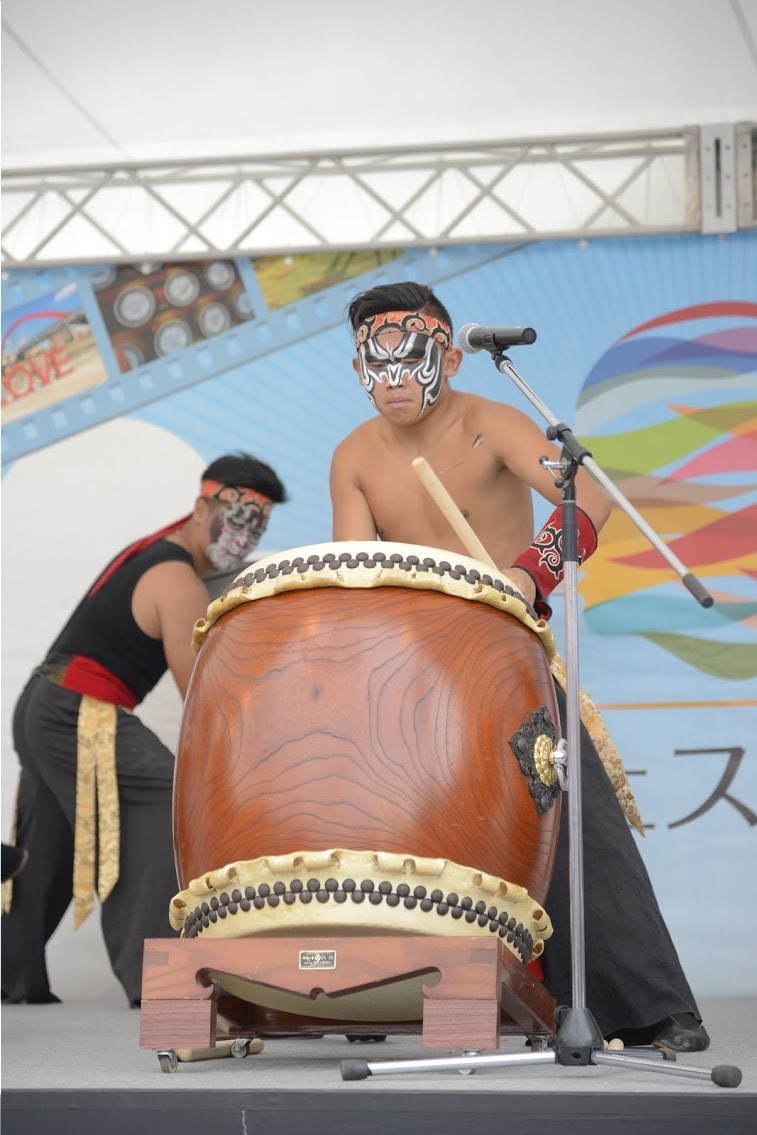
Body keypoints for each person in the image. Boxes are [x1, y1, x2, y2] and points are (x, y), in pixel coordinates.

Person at [329, 281, 708, 1052]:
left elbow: (592, 497)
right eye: (374, 359)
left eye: (408, 354)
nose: (391, 374)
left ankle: (647, 1008)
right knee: (383, 815)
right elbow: (354, 571)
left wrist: (533, 570)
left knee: (577, 824)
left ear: (449, 351)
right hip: (417, 668)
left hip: (504, 650)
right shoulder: (355, 456)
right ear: (356, 363)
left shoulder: (488, 421)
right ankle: (372, 996)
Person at [1, 452, 287, 1007]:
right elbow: (197, 696)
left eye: (258, 525)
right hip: (74, 712)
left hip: (42, 705)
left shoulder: (155, 552)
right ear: (204, 504)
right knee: (163, 800)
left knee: (53, 840)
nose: (245, 536)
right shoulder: (176, 579)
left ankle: (11, 975)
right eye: (238, 517)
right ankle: (160, 982)